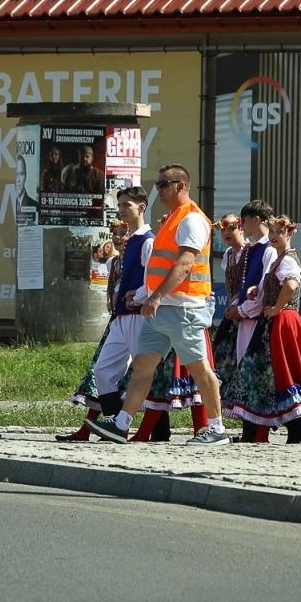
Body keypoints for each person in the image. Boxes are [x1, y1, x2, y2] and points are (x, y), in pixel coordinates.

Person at [87, 164, 229, 445]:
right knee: (142, 364)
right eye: (158, 184)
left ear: (181, 186)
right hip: (162, 309)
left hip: (184, 309)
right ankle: (121, 425)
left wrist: (154, 297)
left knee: (199, 368)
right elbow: (160, 267)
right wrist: (143, 295)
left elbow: (185, 265)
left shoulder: (191, 220)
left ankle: (217, 428)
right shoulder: (173, 219)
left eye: (165, 184)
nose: (159, 189)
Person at [225, 216, 301, 443]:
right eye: (272, 232)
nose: (274, 236)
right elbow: (273, 284)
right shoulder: (277, 260)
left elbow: (291, 284)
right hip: (277, 321)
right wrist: (254, 290)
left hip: (285, 322)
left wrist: (277, 307)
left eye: (279, 232)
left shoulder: (288, 259)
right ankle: (280, 432)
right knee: (274, 376)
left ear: (289, 234)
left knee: (287, 374)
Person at [61, 192, 153, 442]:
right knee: (102, 370)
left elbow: (153, 278)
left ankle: (136, 424)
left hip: (139, 315)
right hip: (121, 316)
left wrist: (143, 295)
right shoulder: (131, 241)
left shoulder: (147, 240)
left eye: (127, 205)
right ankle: (114, 421)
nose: (122, 210)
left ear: (142, 207)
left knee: (143, 372)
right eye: (120, 205)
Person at [220, 198, 276, 442]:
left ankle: (259, 431)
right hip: (245, 318)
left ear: (255, 220)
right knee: (245, 373)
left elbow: (265, 288)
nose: (243, 226)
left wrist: (243, 310)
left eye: (245, 221)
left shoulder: (269, 249)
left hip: (257, 320)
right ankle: (250, 431)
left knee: (256, 374)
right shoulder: (253, 249)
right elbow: (246, 286)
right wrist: (237, 306)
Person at [207, 213, 249, 385]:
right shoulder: (228, 254)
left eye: (231, 227)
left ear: (241, 227)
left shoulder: (250, 250)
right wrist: (231, 298)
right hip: (233, 306)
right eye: (223, 229)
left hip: (247, 308)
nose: (226, 233)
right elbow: (227, 279)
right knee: (223, 348)